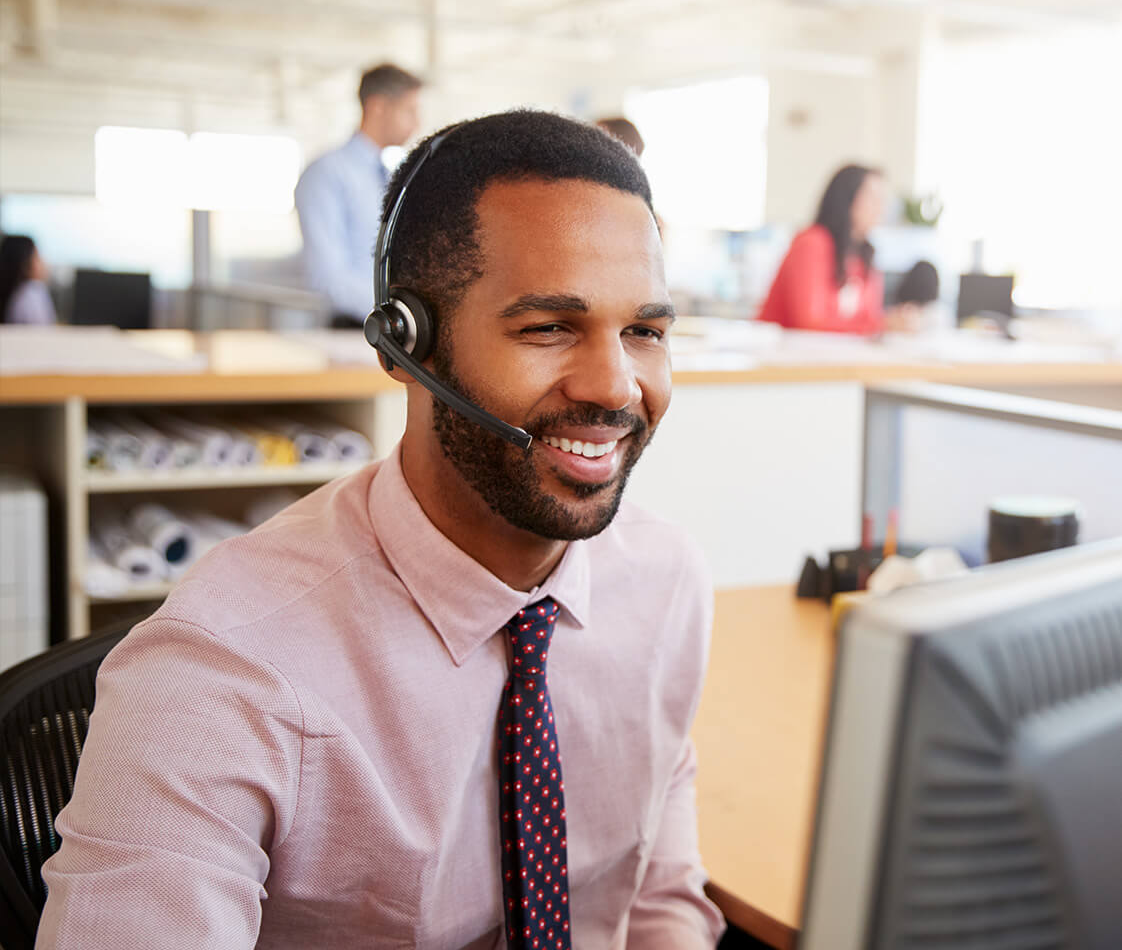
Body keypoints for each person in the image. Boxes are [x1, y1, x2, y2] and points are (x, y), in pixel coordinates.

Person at [37, 110, 726, 949]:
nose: (617, 387)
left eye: (645, 331)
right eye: (548, 327)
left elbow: (657, 902)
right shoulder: (219, 673)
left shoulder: (664, 581)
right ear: (406, 343)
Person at [294, 62, 423, 327]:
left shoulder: (390, 177)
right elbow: (327, 277)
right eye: (409, 111)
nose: (416, 122)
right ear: (377, 106)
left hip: (392, 328)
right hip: (355, 327)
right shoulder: (328, 174)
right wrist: (399, 314)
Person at [757, 164, 887, 335]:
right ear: (847, 199)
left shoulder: (865, 256)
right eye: (873, 198)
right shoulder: (812, 242)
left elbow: (871, 317)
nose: (880, 209)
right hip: (783, 356)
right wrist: (880, 326)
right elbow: (809, 323)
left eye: (883, 200)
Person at [0, 233, 56, 324]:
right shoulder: (32, 291)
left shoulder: (15, 294)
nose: (43, 262)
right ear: (25, 264)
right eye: (37, 257)